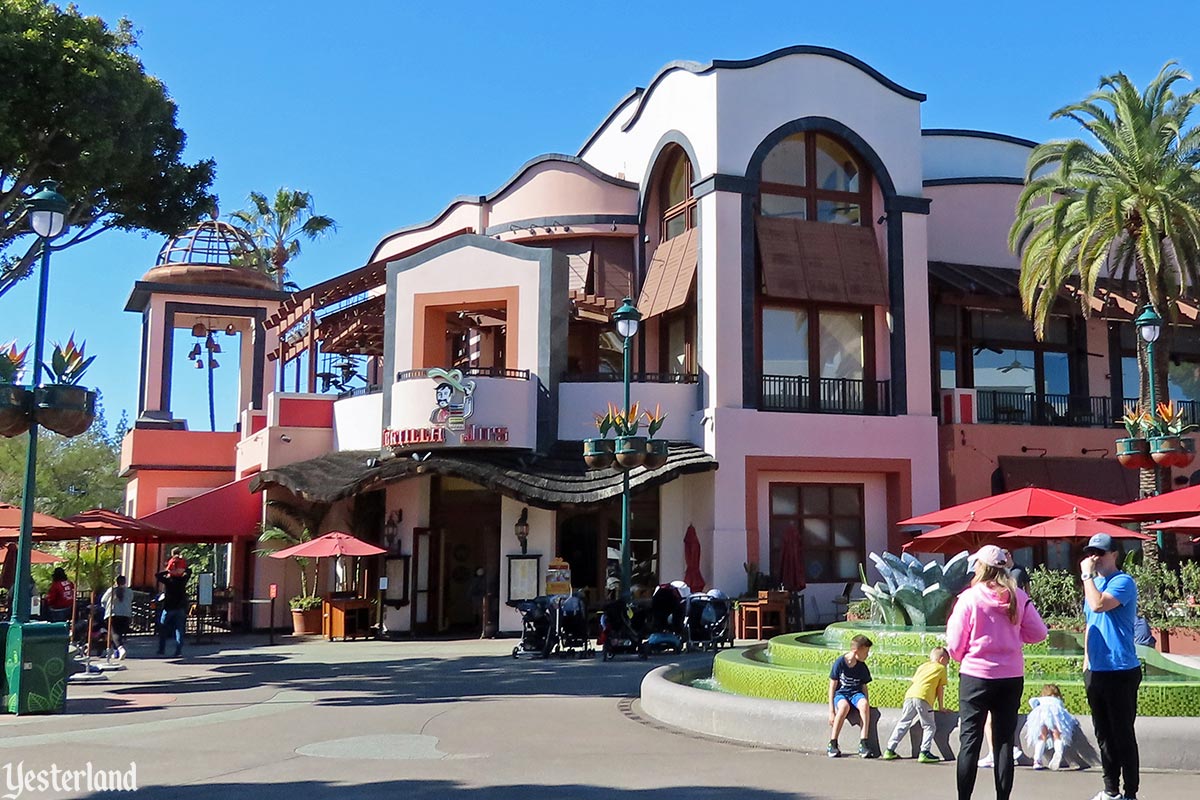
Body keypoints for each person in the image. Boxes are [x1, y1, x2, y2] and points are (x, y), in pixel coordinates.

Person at [947, 544, 1048, 800]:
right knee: (1004, 741)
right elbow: (1039, 633)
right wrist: (1015, 638)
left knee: (970, 741)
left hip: (975, 676)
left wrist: (963, 657)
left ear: (982, 567)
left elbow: (955, 642)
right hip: (1011, 677)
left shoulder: (969, 598)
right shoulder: (1018, 597)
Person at [1080, 533, 1141, 800]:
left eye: (1100, 552)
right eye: (1091, 552)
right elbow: (1089, 622)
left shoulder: (1122, 582)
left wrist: (1086, 577)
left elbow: (1099, 604)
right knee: (1103, 734)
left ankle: (1130, 792)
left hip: (1121, 670)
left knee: (1122, 734)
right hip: (1097, 671)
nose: (1095, 558)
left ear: (1114, 554)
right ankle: (1110, 789)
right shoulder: (1093, 584)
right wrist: (1086, 662)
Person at [882, 646, 949, 763]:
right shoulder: (941, 668)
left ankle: (889, 749)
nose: (946, 665)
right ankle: (924, 752)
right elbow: (940, 688)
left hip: (910, 696)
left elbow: (915, 681)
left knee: (904, 722)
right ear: (942, 659)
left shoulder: (923, 666)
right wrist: (941, 707)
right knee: (929, 726)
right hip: (924, 698)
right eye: (947, 662)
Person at [827, 633, 876, 758]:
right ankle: (833, 742)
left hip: (856, 694)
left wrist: (866, 703)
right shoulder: (840, 663)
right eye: (865, 652)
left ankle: (863, 743)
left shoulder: (862, 667)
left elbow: (864, 687)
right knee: (843, 707)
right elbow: (832, 686)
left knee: (864, 704)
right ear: (855, 650)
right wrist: (831, 711)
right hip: (841, 694)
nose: (867, 655)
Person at [1021, 684, 1080, 771]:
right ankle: (1058, 753)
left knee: (1042, 736)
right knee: (1057, 734)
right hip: (1055, 715)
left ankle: (1037, 760)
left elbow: (1032, 701)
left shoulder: (1041, 700)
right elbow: (1062, 710)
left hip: (1041, 715)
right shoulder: (1057, 701)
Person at [156, 561, 191, 657]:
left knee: (163, 629)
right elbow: (189, 571)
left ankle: (161, 649)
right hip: (180, 608)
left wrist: (169, 570)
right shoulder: (183, 580)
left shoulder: (168, 580)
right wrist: (180, 566)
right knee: (179, 630)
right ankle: (178, 651)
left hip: (168, 608)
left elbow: (157, 575)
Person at [101, 575, 133, 659]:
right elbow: (131, 600)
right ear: (125, 582)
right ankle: (115, 652)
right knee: (119, 633)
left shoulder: (111, 590)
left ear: (116, 582)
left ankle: (120, 648)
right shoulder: (129, 591)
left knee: (114, 633)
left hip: (113, 613)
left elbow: (103, 600)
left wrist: (106, 608)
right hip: (126, 614)